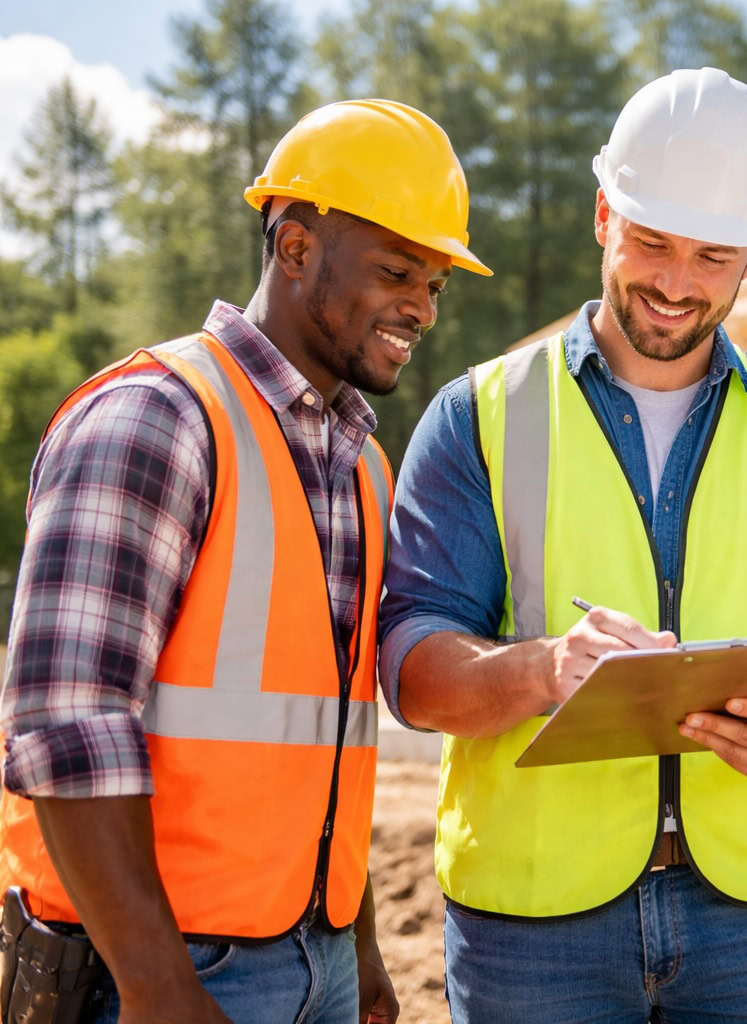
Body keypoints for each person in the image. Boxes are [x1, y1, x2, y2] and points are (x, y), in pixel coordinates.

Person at [378, 67, 747, 1023]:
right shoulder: (478, 418)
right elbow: (415, 673)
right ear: (600, 215)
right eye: (652, 242)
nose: (675, 283)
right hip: (533, 921)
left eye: (713, 257)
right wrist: (545, 669)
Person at [0, 99, 490, 1023]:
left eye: (435, 283)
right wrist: (156, 984)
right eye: (397, 271)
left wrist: (358, 942)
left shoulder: (357, 462)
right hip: (156, 969)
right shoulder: (157, 419)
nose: (422, 308)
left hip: (317, 957)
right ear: (296, 246)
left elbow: (322, 748)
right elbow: (64, 722)